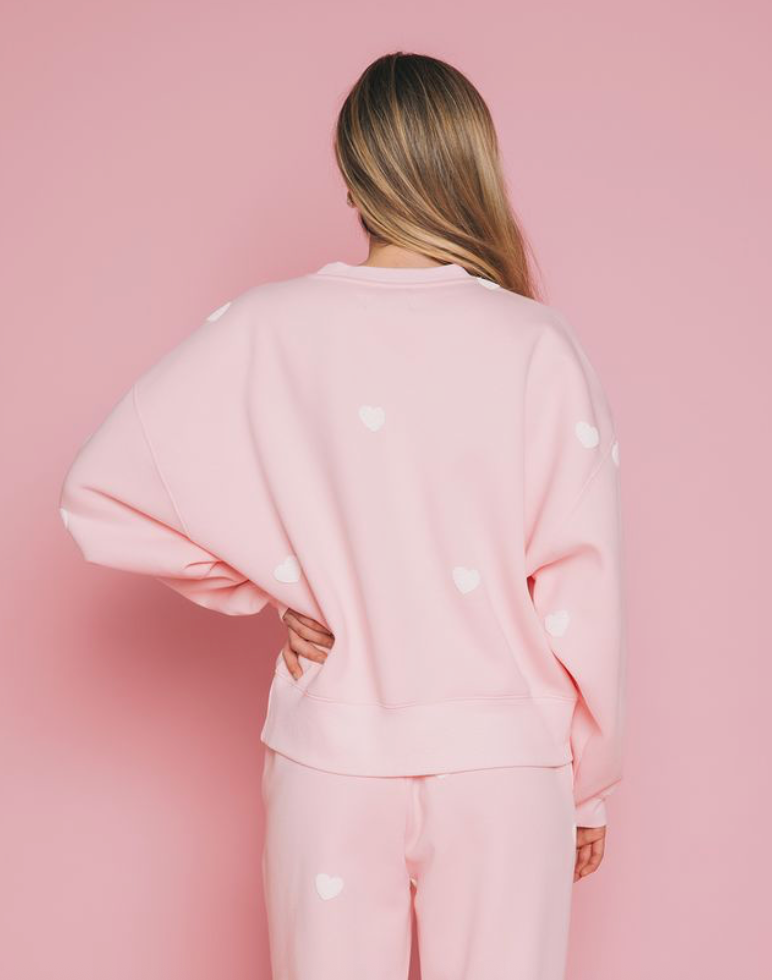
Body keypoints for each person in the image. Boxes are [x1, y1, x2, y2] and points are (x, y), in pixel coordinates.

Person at [60, 51, 627, 980]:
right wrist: (588, 787)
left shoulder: (268, 326)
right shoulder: (538, 343)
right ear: (473, 167)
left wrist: (271, 584)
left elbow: (103, 489)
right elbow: (582, 586)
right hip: (504, 766)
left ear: (353, 177)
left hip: (331, 758)